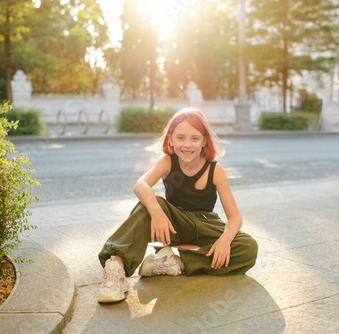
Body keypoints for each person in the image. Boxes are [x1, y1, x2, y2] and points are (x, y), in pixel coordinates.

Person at [98, 107, 258, 303]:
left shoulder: (215, 170)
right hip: (173, 225)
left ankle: (174, 264)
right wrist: (156, 212)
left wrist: (225, 240)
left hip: (205, 225)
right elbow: (140, 184)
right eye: (180, 138)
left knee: (248, 247)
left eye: (194, 138)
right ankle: (115, 268)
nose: (187, 145)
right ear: (171, 139)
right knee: (149, 202)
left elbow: (235, 217)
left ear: (204, 141)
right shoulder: (167, 162)